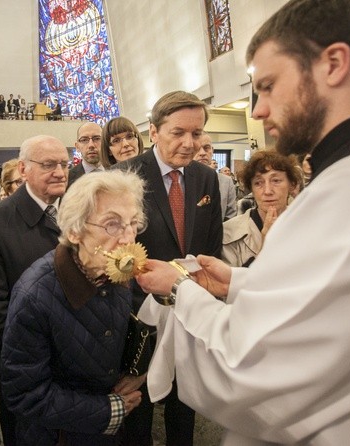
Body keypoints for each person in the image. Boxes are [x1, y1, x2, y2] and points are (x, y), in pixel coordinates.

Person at [135, 0, 350, 444]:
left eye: (269, 85)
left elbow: (256, 368)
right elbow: (334, 305)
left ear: (334, 64)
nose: (258, 110)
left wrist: (181, 290)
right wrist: (237, 285)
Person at [1, 170, 147, 445]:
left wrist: (139, 371)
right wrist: (109, 410)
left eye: (133, 223)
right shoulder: (34, 296)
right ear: (74, 231)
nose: (129, 239)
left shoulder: (119, 273)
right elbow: (24, 395)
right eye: (113, 224)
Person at [115, 91, 223, 446]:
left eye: (197, 133)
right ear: (154, 131)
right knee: (137, 408)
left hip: (187, 309)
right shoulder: (122, 177)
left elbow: (211, 245)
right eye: (179, 133)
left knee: (184, 401)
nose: (190, 143)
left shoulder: (206, 180)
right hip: (135, 316)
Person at [0, 135, 69, 445]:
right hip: (27, 362)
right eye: (49, 164)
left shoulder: (78, 213)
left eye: (64, 164)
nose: (60, 172)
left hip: (79, 357)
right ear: (24, 170)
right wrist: (43, 342)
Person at [222, 150, 298, 267]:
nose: (267, 191)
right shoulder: (229, 232)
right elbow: (230, 282)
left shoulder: (307, 225)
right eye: (258, 183)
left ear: (291, 184)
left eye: (276, 181)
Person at [195, 133, 237, 221]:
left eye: (206, 148)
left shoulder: (226, 181)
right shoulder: (180, 179)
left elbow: (231, 215)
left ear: (212, 151)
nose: (202, 153)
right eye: (197, 148)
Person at [68, 121, 103, 187]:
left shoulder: (118, 172)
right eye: (84, 140)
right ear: (77, 146)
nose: (91, 145)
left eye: (97, 139)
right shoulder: (67, 180)